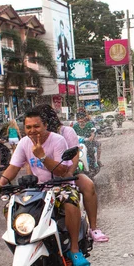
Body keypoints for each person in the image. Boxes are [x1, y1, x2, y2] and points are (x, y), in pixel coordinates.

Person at [0, 108, 91, 266]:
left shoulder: (57, 140)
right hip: (37, 188)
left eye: (36, 126)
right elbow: (13, 167)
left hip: (60, 185)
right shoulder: (24, 143)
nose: (32, 131)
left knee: (70, 202)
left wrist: (42, 157)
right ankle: (25, 241)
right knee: (11, 207)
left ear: (45, 125)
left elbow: (62, 171)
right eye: (28, 127)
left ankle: (74, 249)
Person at [36, 104, 109, 242]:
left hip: (67, 176)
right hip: (44, 180)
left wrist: (68, 173)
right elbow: (27, 161)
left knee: (88, 185)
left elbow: (75, 155)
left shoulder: (66, 132)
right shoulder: (34, 137)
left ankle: (93, 228)